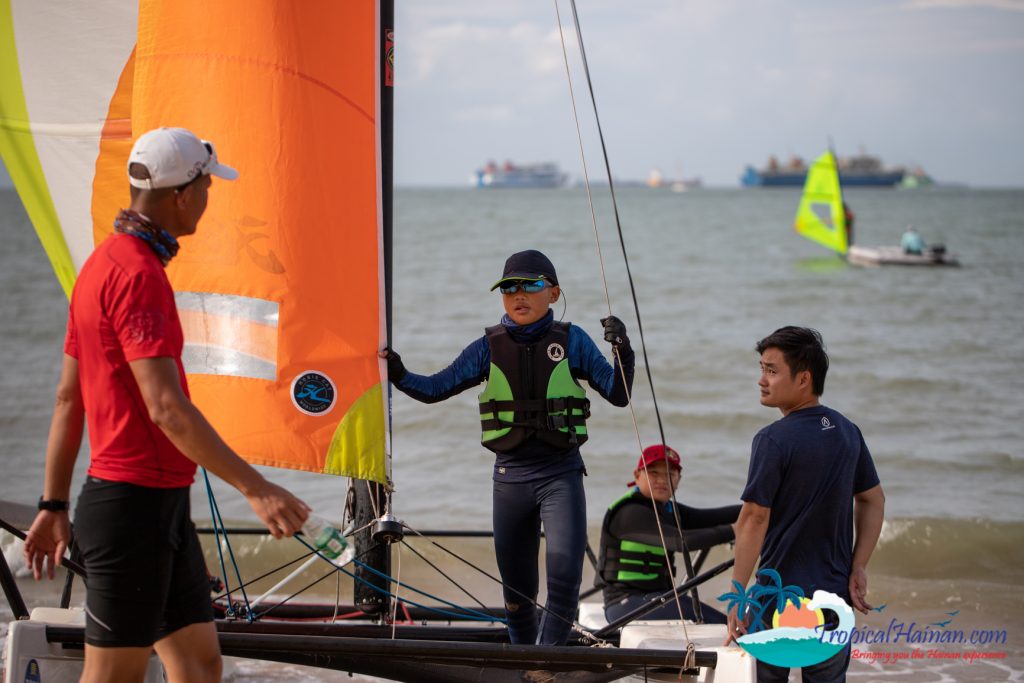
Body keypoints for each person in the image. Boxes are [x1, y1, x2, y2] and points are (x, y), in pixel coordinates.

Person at [23, 127, 311, 683]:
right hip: (131, 510)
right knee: (114, 677)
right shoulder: (136, 274)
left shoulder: (101, 264)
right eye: (206, 187)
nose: (208, 198)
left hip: (160, 508)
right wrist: (258, 487)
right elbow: (167, 408)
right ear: (182, 194)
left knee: (200, 667)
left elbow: (67, 397)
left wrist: (52, 503)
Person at [381, 249, 634, 645]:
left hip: (560, 475)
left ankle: (543, 666)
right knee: (517, 595)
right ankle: (525, 660)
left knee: (565, 577)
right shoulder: (488, 346)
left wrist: (624, 351)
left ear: (553, 293)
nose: (518, 295)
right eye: (508, 288)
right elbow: (433, 389)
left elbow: (619, 394)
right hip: (510, 479)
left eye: (530, 285)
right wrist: (397, 373)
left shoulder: (573, 341)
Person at [726, 326, 885, 682]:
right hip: (834, 602)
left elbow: (753, 518)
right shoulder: (848, 431)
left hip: (779, 598)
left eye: (771, 370)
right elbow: (873, 499)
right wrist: (858, 566)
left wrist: (738, 595)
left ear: (803, 379)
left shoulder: (773, 439)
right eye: (761, 369)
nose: (761, 380)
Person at [596, 444, 739, 624]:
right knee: (722, 623)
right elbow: (682, 542)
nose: (662, 480)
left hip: (657, 598)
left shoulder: (668, 509)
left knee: (707, 615)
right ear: (637, 475)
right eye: (654, 473)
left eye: (670, 474)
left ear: (679, 479)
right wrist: (735, 530)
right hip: (624, 604)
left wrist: (757, 509)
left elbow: (714, 517)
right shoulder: (630, 513)